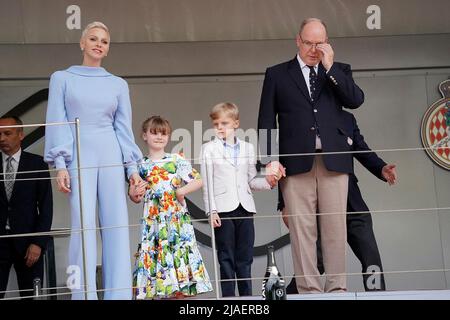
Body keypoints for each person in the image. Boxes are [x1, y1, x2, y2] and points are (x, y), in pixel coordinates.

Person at [258, 18, 365, 293]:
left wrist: (329, 68)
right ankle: (309, 291)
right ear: (298, 40)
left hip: (334, 162)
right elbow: (267, 121)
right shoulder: (277, 74)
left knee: (335, 229)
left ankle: (337, 290)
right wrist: (269, 161)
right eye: (308, 43)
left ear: (327, 43)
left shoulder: (339, 71)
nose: (313, 49)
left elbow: (355, 100)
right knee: (302, 231)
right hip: (295, 164)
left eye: (320, 43)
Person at [44, 22, 143, 300]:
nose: (99, 44)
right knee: (82, 227)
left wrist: (132, 170)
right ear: (82, 43)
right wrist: (60, 164)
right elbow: (57, 121)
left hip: (110, 152)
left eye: (104, 41)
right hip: (78, 155)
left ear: (108, 48)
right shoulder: (62, 78)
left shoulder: (118, 84)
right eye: (93, 39)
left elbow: (123, 129)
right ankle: (82, 295)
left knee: (117, 227)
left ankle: (119, 296)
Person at [279, 110, 397, 293]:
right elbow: (288, 161)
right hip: (321, 210)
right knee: (313, 264)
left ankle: (377, 296)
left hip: (353, 205)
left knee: (371, 257)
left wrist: (380, 167)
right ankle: (290, 296)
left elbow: (361, 148)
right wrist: (283, 204)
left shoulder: (347, 118)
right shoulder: (304, 118)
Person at [201, 102, 284, 297]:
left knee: (245, 258)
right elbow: (207, 184)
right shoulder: (208, 149)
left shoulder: (247, 147)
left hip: (245, 208)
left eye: (225, 123)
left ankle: (246, 297)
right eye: (216, 124)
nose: (220, 128)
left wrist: (270, 182)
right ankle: (229, 298)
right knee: (226, 257)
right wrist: (211, 211)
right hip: (222, 209)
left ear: (236, 123)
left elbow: (251, 180)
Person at [129, 116, 212, 299]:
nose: (159, 137)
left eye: (163, 133)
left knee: (178, 255)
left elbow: (199, 180)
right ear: (144, 135)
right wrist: (135, 192)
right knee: (157, 257)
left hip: (176, 219)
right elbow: (134, 195)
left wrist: (181, 191)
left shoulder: (176, 159)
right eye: (154, 132)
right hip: (154, 223)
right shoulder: (140, 164)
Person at [0, 116, 53, 299]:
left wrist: (38, 242)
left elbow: (46, 207)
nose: (2, 138)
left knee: (31, 295)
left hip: (28, 244)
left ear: (21, 134)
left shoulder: (37, 164)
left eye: (7, 133)